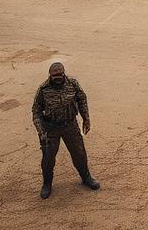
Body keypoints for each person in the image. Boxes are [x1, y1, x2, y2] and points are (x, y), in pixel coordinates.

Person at [32, 62, 100, 197]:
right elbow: (36, 111)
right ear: (50, 75)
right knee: (48, 159)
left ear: (64, 73)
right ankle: (47, 184)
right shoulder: (43, 89)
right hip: (50, 128)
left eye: (59, 74)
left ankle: (86, 177)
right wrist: (41, 131)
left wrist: (86, 118)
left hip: (70, 125)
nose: (57, 77)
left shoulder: (73, 84)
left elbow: (82, 99)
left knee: (79, 153)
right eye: (54, 75)